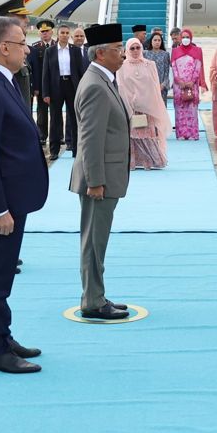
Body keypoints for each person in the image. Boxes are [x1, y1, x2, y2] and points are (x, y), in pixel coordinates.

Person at [0, 16, 49, 374]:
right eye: (22, 44)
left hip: (16, 197)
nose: (26, 50)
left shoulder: (6, 81)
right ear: (4, 48)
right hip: (5, 203)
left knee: (3, 274)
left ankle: (3, 335)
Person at [70, 23, 132, 321]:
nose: (123, 54)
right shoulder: (95, 84)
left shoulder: (103, 79)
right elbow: (90, 139)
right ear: (102, 53)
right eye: (119, 49)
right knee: (94, 241)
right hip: (99, 180)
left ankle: (97, 294)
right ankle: (93, 301)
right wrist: (95, 182)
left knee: (97, 240)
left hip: (105, 177)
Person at [119, 38, 169, 169]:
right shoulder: (122, 66)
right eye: (132, 48)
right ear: (127, 50)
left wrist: (147, 100)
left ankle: (150, 160)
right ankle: (133, 161)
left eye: (138, 48)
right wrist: (131, 101)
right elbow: (121, 86)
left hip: (147, 106)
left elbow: (154, 86)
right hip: (131, 107)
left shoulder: (149, 64)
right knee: (133, 134)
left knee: (147, 134)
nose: (135, 51)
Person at [42, 24, 86, 160]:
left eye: (67, 33)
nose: (65, 35)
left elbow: (81, 72)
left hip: (72, 86)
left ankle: (76, 149)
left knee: (74, 118)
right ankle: (54, 150)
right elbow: (46, 73)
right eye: (62, 33)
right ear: (57, 34)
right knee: (55, 119)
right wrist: (46, 93)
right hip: (56, 86)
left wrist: (82, 88)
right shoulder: (50, 51)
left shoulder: (75, 50)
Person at [171, 28, 206, 141]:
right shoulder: (175, 51)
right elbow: (174, 67)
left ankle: (192, 133)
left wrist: (192, 81)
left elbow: (198, 67)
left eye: (188, 37)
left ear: (191, 38)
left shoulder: (197, 50)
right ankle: (181, 133)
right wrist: (179, 80)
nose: (185, 39)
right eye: (183, 37)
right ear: (180, 38)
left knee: (191, 109)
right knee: (180, 109)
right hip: (179, 85)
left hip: (192, 84)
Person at [28, 19, 55, 144]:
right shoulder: (35, 48)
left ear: (52, 31)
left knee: (56, 111)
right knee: (41, 111)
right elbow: (35, 69)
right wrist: (36, 87)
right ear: (39, 33)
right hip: (42, 85)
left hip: (56, 83)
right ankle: (42, 135)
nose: (45, 34)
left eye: (47, 31)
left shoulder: (57, 45)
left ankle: (58, 136)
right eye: (42, 31)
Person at [143, 31, 171, 104]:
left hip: (162, 88)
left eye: (159, 40)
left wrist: (162, 85)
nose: (157, 42)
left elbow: (167, 72)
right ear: (151, 41)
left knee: (162, 110)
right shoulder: (145, 54)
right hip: (149, 87)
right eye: (155, 40)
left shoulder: (165, 54)